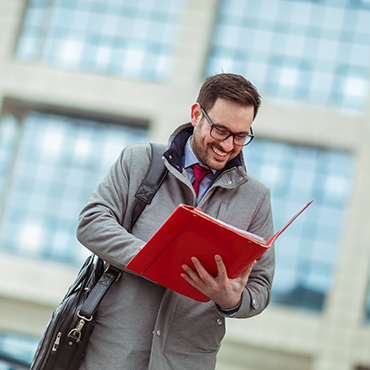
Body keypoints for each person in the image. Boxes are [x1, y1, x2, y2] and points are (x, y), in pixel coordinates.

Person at [76, 73, 275, 370]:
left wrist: (231, 300)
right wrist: (155, 259)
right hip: (112, 351)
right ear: (197, 115)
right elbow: (91, 223)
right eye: (220, 130)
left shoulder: (256, 199)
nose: (228, 145)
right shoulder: (140, 161)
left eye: (241, 136)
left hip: (185, 361)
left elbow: (259, 288)